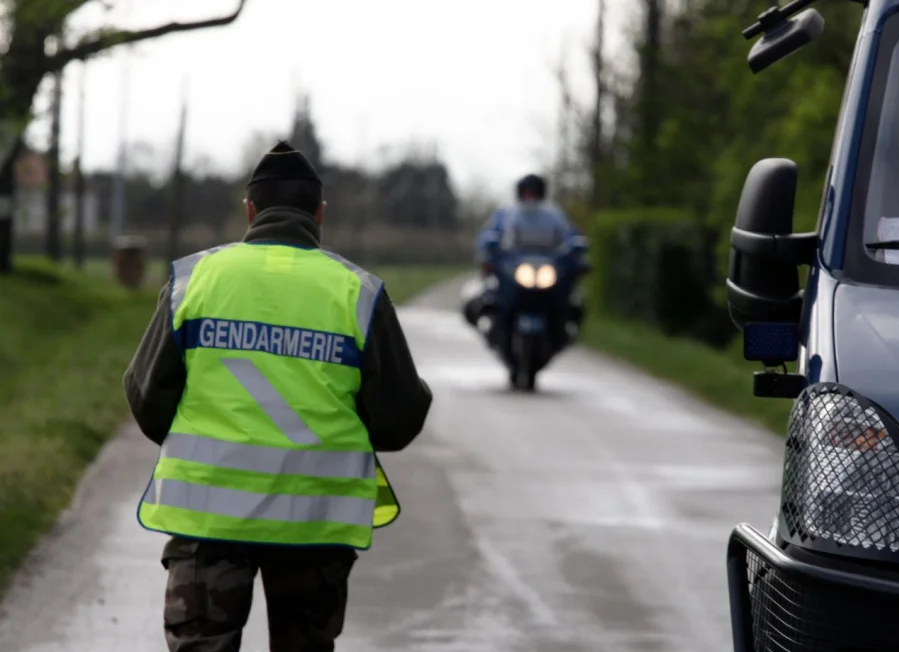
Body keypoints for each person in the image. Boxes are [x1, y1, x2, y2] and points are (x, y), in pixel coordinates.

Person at [123, 140, 433, 652]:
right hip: (316, 524)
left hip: (208, 519)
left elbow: (146, 397)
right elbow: (400, 419)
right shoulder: (359, 293)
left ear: (249, 210)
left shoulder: (193, 281)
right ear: (320, 214)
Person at [474, 173, 584, 273]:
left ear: (541, 194)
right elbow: (489, 235)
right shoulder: (506, 214)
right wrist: (488, 252)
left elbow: (570, 235)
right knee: (486, 291)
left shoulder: (554, 215)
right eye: (527, 192)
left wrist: (575, 248)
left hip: (551, 265)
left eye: (534, 193)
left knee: (574, 290)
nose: (530, 196)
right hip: (512, 265)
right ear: (520, 194)